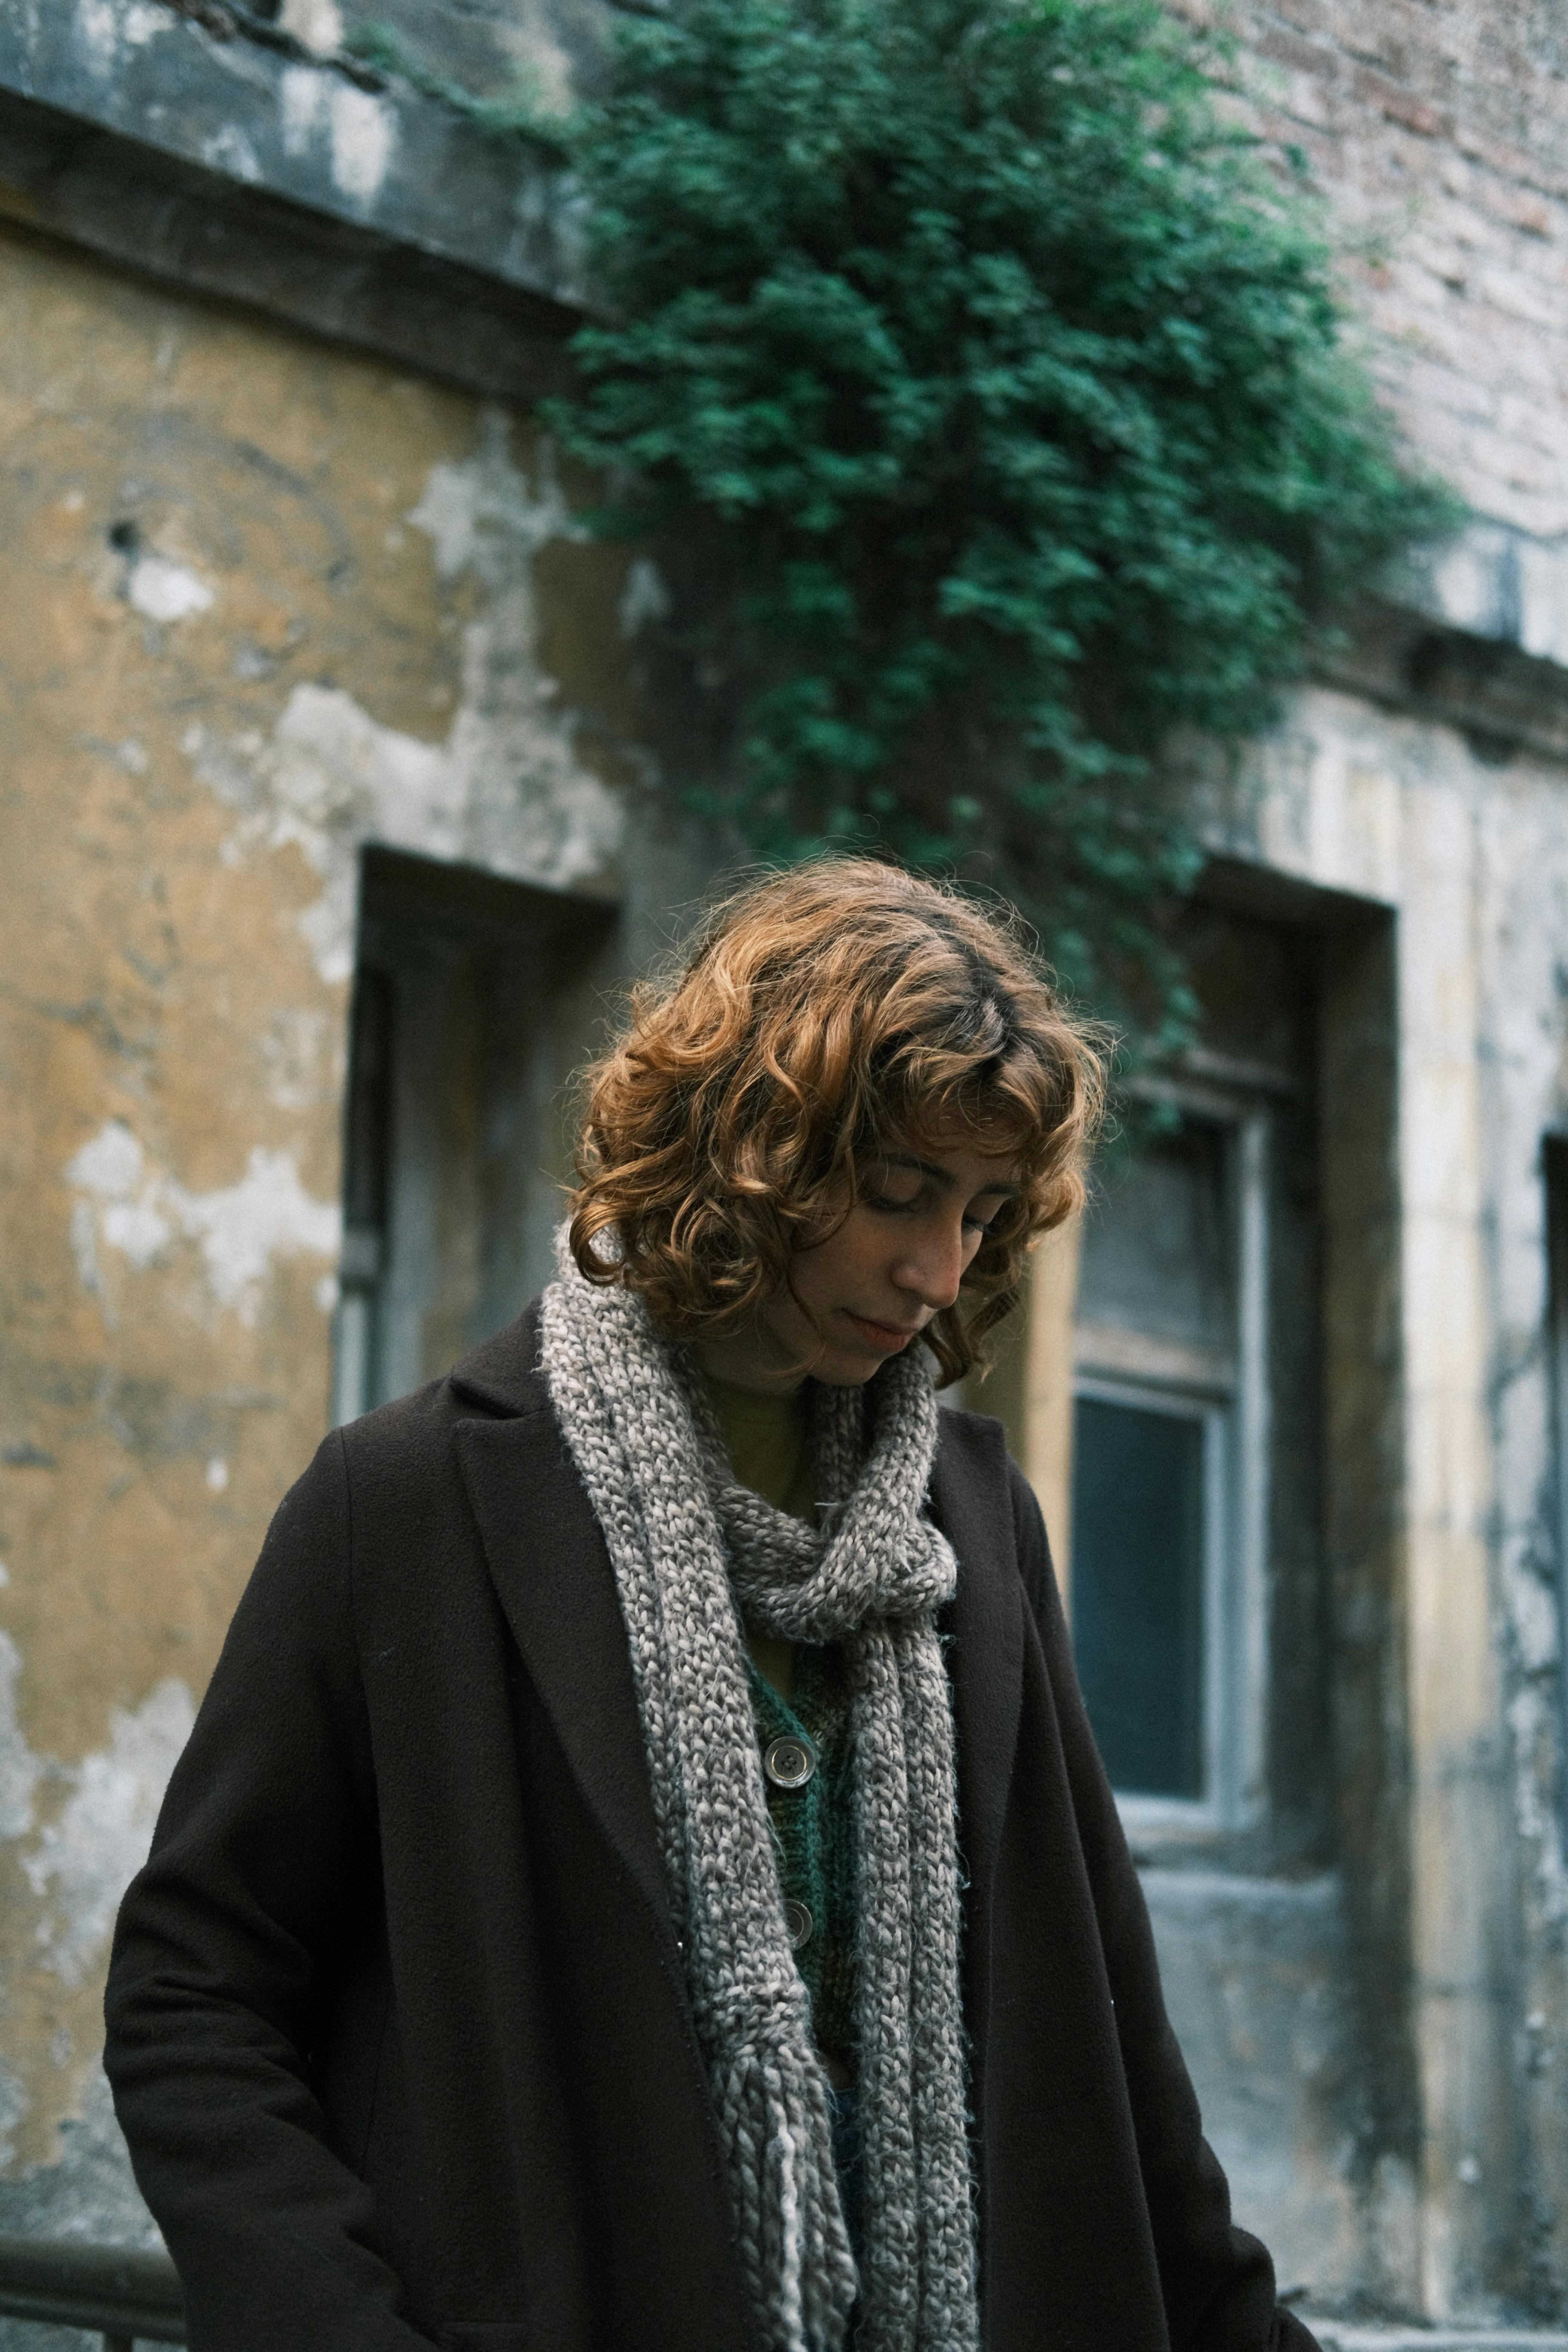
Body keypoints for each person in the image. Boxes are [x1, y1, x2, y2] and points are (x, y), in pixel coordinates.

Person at [104, 859, 1321, 2352]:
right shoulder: (411, 1499)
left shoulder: (974, 1523)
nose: (936, 1270)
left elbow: (1113, 2053)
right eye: (893, 1195)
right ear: (754, 1149)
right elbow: (197, 1991)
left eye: (980, 1209)